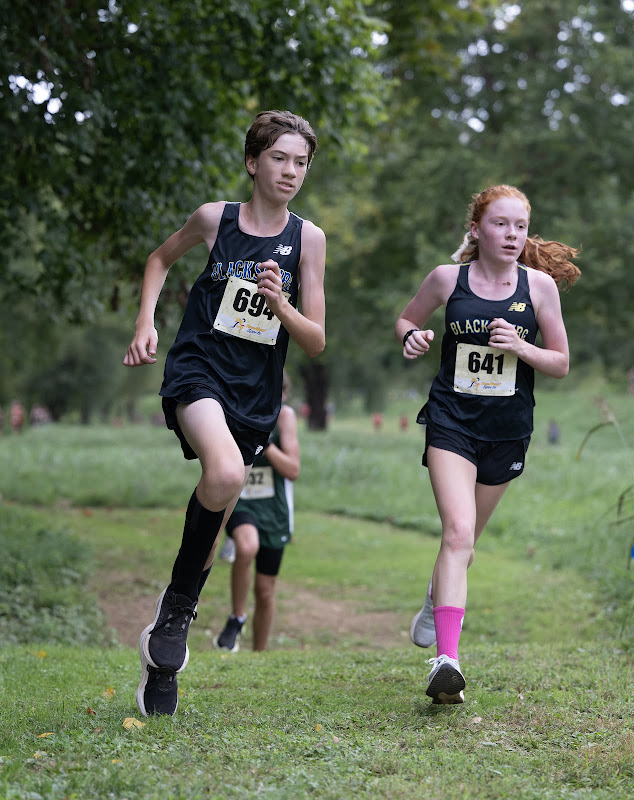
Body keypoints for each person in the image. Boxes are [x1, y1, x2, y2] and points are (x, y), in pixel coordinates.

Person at [123, 110, 326, 716]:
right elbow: (159, 261)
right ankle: (177, 615)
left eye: (301, 162)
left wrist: (281, 304)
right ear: (253, 162)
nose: (290, 171)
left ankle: (164, 648)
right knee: (228, 474)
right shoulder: (217, 220)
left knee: (218, 503)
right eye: (280, 159)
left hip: (256, 394)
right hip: (197, 370)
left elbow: (314, 339)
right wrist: (145, 323)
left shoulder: (307, 240)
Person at [395, 184, 580, 705]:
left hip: (507, 430)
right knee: (457, 532)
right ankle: (446, 662)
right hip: (452, 422)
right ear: (476, 229)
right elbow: (407, 318)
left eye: (520, 226)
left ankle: (436, 600)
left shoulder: (540, 287)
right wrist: (412, 336)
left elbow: (562, 363)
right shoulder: (447, 279)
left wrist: (522, 346)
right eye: (500, 224)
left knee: (466, 544)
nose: (512, 235)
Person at [214, 371, 300, 653]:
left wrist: (266, 443)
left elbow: (293, 469)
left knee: (265, 591)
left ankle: (258, 655)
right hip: (242, 502)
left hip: (274, 511)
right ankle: (237, 618)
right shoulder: (235, 411)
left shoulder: (285, 417)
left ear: (283, 394)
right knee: (246, 546)